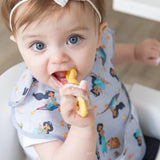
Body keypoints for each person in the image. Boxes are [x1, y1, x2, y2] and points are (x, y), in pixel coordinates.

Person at [1, 0, 160, 159]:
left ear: (98, 35)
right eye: (38, 45)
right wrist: (81, 128)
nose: (58, 58)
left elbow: (104, 57)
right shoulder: (34, 111)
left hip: (127, 144)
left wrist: (135, 52)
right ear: (19, 44)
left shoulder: (95, 52)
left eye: (73, 39)